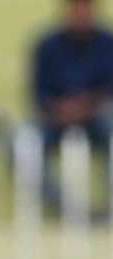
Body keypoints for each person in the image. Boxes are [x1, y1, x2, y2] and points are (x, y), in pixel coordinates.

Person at [31, 0, 113, 216]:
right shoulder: (47, 45)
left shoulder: (108, 44)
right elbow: (39, 95)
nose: (80, 13)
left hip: (98, 117)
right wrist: (62, 109)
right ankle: (72, 209)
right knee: (23, 144)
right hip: (55, 119)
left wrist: (85, 106)